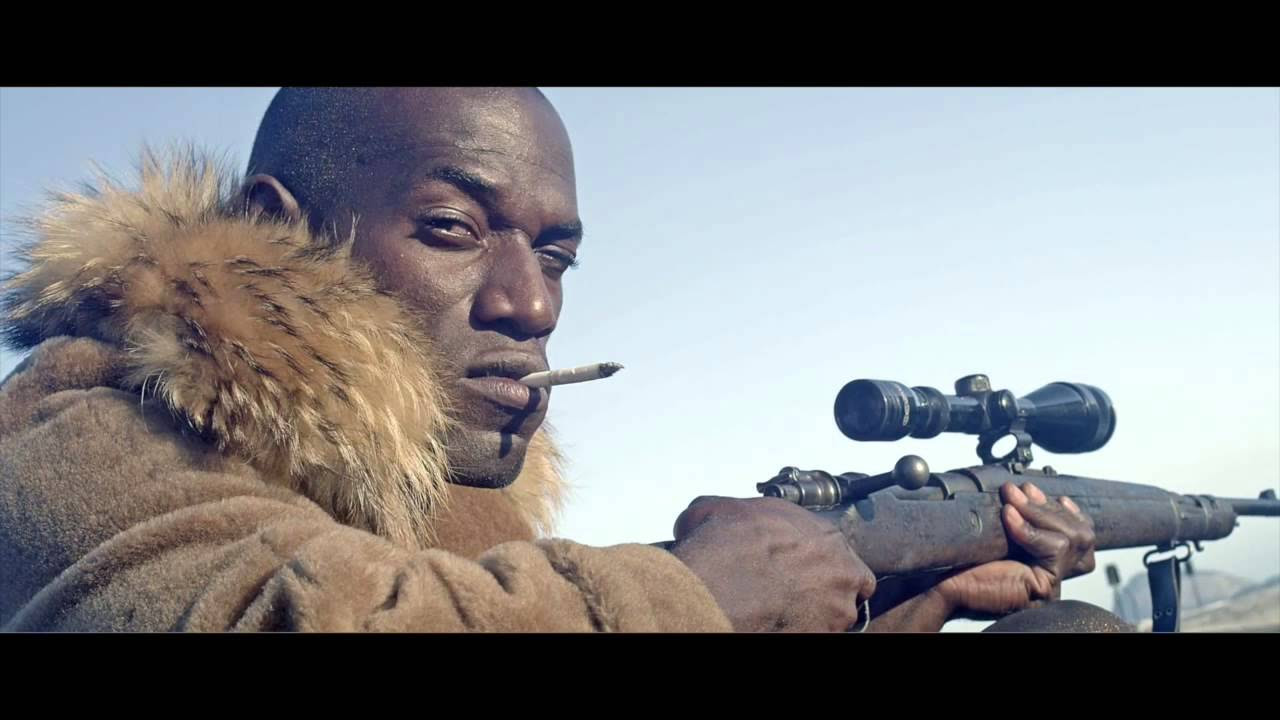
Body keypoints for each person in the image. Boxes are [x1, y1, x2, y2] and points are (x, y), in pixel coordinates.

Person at [0, 87, 1128, 632]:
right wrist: (692, 591)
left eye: (555, 256)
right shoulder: (83, 426)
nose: (531, 302)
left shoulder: (458, 502)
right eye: (452, 229)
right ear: (278, 230)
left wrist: (909, 600)